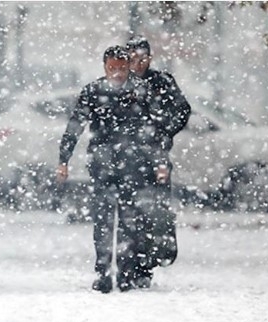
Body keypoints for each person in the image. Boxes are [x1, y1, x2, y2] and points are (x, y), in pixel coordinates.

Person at [57, 45, 168, 293]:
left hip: (134, 166)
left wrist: (160, 162)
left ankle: (126, 273)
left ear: (129, 66)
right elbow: (75, 125)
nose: (117, 73)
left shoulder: (141, 91)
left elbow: (156, 130)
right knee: (103, 221)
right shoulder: (94, 91)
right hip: (103, 164)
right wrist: (64, 159)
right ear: (105, 67)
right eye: (112, 68)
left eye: (121, 68)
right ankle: (104, 272)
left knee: (130, 222)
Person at [123, 35, 191, 285]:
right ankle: (130, 262)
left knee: (156, 211)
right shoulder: (121, 83)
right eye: (133, 58)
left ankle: (148, 261)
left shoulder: (161, 81)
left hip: (156, 156)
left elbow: (182, 110)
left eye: (142, 58)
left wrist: (164, 131)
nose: (138, 63)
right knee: (129, 210)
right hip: (126, 159)